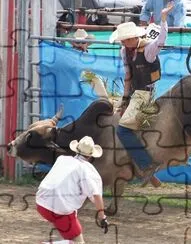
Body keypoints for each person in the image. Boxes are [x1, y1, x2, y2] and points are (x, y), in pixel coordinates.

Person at [108, 3, 174, 185]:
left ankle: (147, 165)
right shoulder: (125, 51)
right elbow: (128, 76)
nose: (122, 43)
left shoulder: (149, 50)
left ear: (132, 38)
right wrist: (124, 99)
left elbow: (161, 40)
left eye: (124, 39)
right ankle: (143, 169)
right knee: (122, 125)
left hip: (145, 93)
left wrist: (163, 19)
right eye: (121, 40)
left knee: (122, 130)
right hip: (136, 94)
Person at [36, 136, 108, 243]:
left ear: (76, 150)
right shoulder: (88, 170)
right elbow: (96, 195)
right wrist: (102, 217)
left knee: (72, 238)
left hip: (41, 203)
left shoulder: (62, 159)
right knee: (78, 242)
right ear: (91, 156)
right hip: (61, 209)